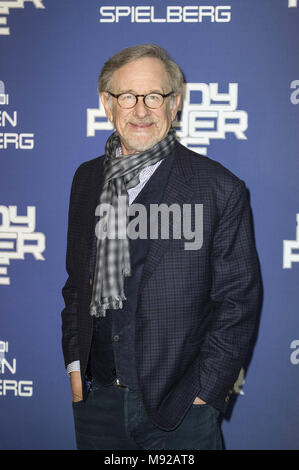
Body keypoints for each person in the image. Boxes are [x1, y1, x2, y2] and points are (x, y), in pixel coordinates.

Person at [61, 44, 261, 450]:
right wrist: (77, 373)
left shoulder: (219, 188)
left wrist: (205, 396)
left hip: (181, 411)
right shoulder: (86, 181)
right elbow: (75, 287)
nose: (141, 110)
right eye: (127, 96)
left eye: (154, 96)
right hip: (97, 403)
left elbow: (237, 302)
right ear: (107, 103)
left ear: (175, 105)